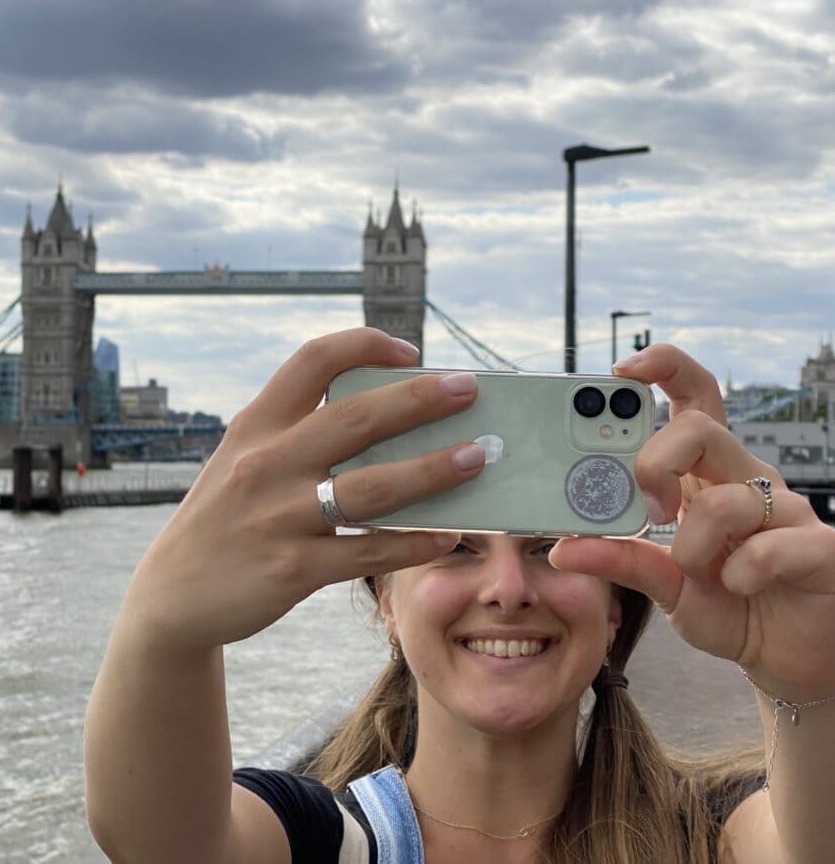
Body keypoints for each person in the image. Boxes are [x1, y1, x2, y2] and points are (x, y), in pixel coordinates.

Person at [83, 328, 835, 864]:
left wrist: (811, 683)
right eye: (455, 549)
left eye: (548, 549)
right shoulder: (312, 841)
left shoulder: (714, 838)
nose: (507, 589)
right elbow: (154, 841)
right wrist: (165, 628)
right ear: (385, 601)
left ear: (616, 611)